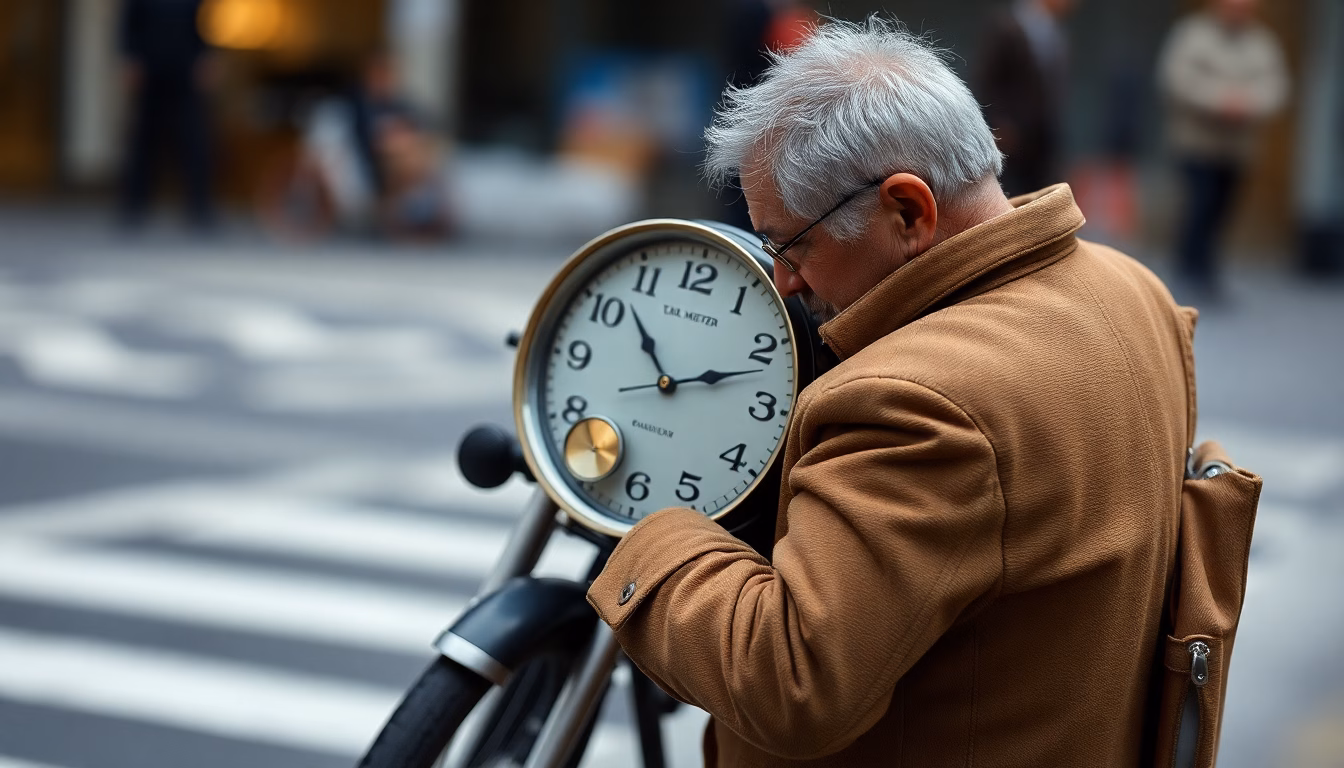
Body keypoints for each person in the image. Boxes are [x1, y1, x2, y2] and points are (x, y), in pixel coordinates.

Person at [588, 17, 1195, 766]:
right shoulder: (1133, 290)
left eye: (792, 244)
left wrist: (648, 530)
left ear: (908, 211)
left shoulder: (918, 402)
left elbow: (789, 681)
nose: (784, 281)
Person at [1158, 0, 1288, 298]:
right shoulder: (1193, 34)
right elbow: (1176, 79)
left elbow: (1277, 87)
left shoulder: (1262, 42)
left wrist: (1248, 103)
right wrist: (1220, 100)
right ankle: (1187, 270)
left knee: (1222, 211)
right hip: (1197, 143)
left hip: (1238, 148)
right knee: (1198, 207)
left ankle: (1208, 272)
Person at [118, 0, 218, 231]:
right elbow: (129, 23)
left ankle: (199, 208)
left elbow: (204, 24)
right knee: (144, 141)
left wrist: (207, 57)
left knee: (194, 141)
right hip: (151, 69)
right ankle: (134, 207)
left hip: (185, 70)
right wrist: (129, 59)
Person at [973, 0, 1077, 197]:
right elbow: (987, 79)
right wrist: (998, 122)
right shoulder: (1006, 27)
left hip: (1044, 142)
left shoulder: (1056, 34)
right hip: (1012, 139)